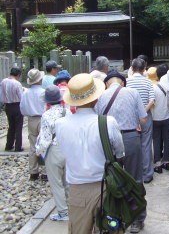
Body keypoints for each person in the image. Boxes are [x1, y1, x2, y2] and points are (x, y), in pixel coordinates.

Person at [55, 73, 124, 234]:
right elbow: (120, 153)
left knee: (78, 230)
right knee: (110, 229)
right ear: (96, 98)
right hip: (106, 186)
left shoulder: (60, 124)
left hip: (77, 188)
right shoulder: (108, 122)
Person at [95, 69, 147, 233]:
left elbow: (97, 119)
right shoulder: (133, 92)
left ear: (106, 84)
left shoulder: (101, 96)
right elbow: (143, 119)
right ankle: (137, 219)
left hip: (108, 142)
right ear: (122, 82)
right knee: (135, 178)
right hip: (130, 138)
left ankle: (114, 218)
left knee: (113, 179)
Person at [35, 85, 71, 221]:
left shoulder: (46, 115)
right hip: (67, 149)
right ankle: (71, 206)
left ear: (47, 101)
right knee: (67, 181)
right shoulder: (67, 112)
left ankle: (63, 212)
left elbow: (45, 137)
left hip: (54, 150)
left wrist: (38, 151)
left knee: (56, 184)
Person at [126, 58, 155, 183]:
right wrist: (143, 113)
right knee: (146, 145)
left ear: (131, 68)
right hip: (146, 117)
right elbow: (152, 101)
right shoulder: (148, 82)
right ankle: (147, 174)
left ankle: (132, 174)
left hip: (130, 118)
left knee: (132, 146)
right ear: (145, 69)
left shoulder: (126, 82)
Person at [20, 69, 47, 181]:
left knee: (32, 145)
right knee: (45, 144)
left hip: (31, 119)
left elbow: (22, 109)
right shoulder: (44, 92)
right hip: (43, 118)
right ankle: (45, 172)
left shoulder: (26, 93)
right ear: (40, 80)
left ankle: (33, 171)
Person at [152, 64, 169, 174]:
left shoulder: (154, 87)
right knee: (167, 140)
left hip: (155, 118)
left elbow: (152, 102)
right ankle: (166, 161)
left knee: (156, 140)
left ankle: (157, 163)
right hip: (167, 117)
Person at [1, 67, 24, 152]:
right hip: (17, 105)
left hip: (7, 106)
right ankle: (18, 147)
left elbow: (1, 95)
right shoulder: (17, 83)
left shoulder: (3, 81)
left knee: (11, 126)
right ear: (18, 75)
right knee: (18, 126)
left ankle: (9, 145)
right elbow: (21, 97)